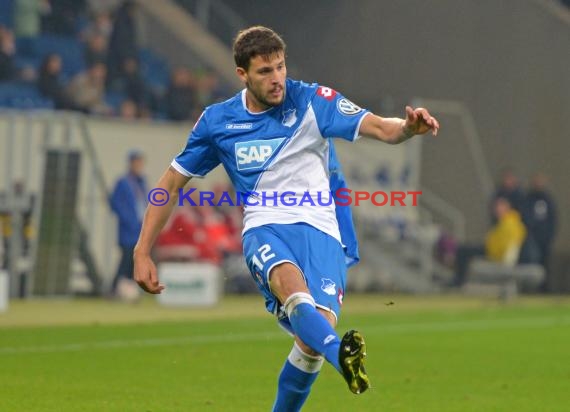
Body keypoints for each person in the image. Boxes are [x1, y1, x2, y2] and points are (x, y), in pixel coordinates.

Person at [133, 26, 439, 410]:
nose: (277, 78)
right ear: (242, 74)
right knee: (294, 294)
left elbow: (379, 126)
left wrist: (408, 128)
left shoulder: (312, 100)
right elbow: (171, 183)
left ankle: (326, 348)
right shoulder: (218, 122)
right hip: (266, 224)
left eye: (280, 67)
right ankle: (340, 354)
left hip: (323, 229)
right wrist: (143, 250)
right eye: (265, 71)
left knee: (308, 344)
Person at [110, 150, 148, 295]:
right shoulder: (123, 182)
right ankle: (115, 289)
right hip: (128, 230)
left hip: (140, 229)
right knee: (125, 260)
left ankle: (127, 290)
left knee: (133, 262)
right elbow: (115, 203)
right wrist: (128, 220)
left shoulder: (142, 182)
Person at [526, 173, 557, 271]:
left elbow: (553, 219)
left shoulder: (548, 199)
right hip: (532, 238)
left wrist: (549, 234)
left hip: (544, 238)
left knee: (544, 263)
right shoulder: (528, 198)